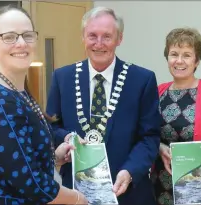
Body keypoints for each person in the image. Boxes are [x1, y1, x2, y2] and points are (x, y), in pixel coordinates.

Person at [46, 6, 161, 205]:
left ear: (119, 39)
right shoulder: (62, 77)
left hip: (128, 192)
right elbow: (52, 126)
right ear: (83, 37)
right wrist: (65, 138)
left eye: (107, 36)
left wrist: (130, 171)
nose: (99, 44)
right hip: (76, 194)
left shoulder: (142, 80)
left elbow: (150, 136)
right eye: (92, 35)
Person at [0, 5, 88, 205]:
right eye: (9, 37)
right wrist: (80, 199)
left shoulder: (15, 90)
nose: (21, 43)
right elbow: (32, 184)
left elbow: (18, 161)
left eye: (27, 35)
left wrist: (54, 158)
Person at [150, 27, 201, 205]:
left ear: (197, 60)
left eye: (187, 55)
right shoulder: (158, 92)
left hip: (196, 187)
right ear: (167, 57)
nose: (179, 61)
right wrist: (160, 146)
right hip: (159, 186)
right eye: (174, 54)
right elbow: (148, 136)